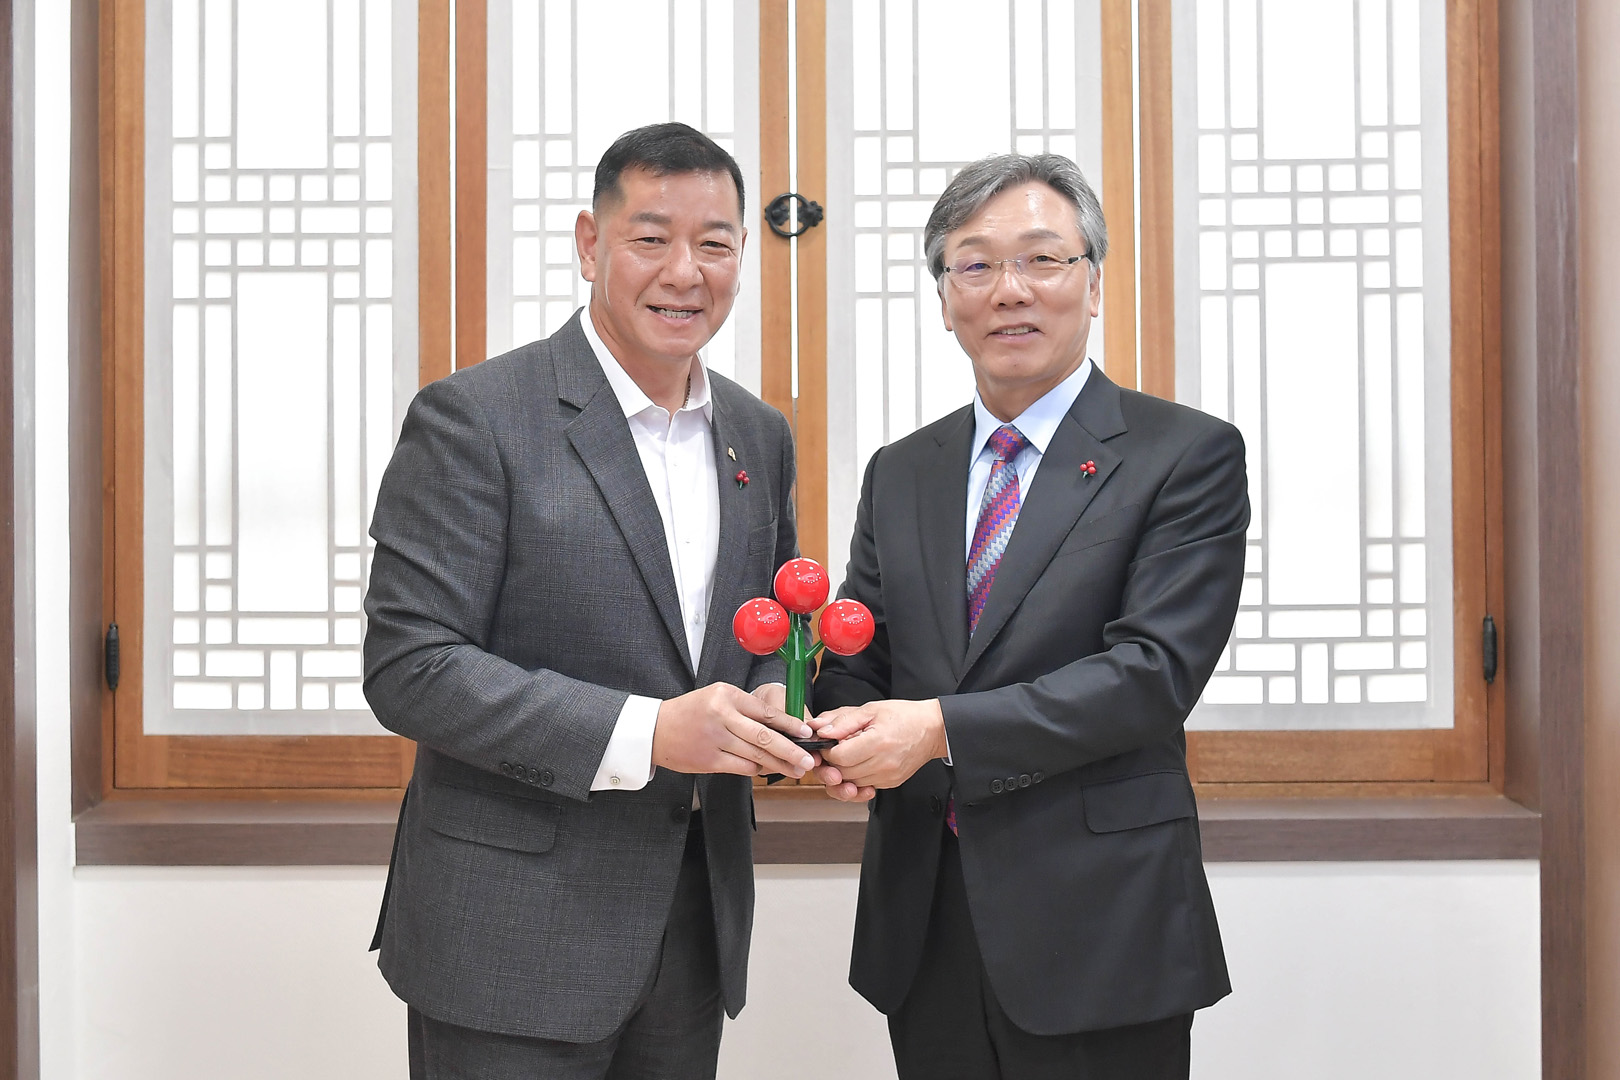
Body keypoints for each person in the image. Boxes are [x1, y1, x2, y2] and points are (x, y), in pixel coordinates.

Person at [363, 122, 816, 1079]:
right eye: (651, 239)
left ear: (742, 254)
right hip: (506, 937)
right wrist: (651, 732)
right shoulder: (477, 416)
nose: (685, 272)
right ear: (588, 243)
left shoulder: (758, 432)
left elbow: (761, 634)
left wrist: (774, 703)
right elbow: (411, 667)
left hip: (691, 926)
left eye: (715, 243)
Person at [810, 153, 1248, 1080]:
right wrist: (836, 731)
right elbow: (865, 650)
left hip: (1101, 923)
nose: (1009, 290)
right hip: (925, 919)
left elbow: (1151, 676)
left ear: (1094, 283)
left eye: (1043, 259)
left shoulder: (1184, 454)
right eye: (974, 265)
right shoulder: (903, 470)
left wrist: (936, 730)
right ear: (945, 298)